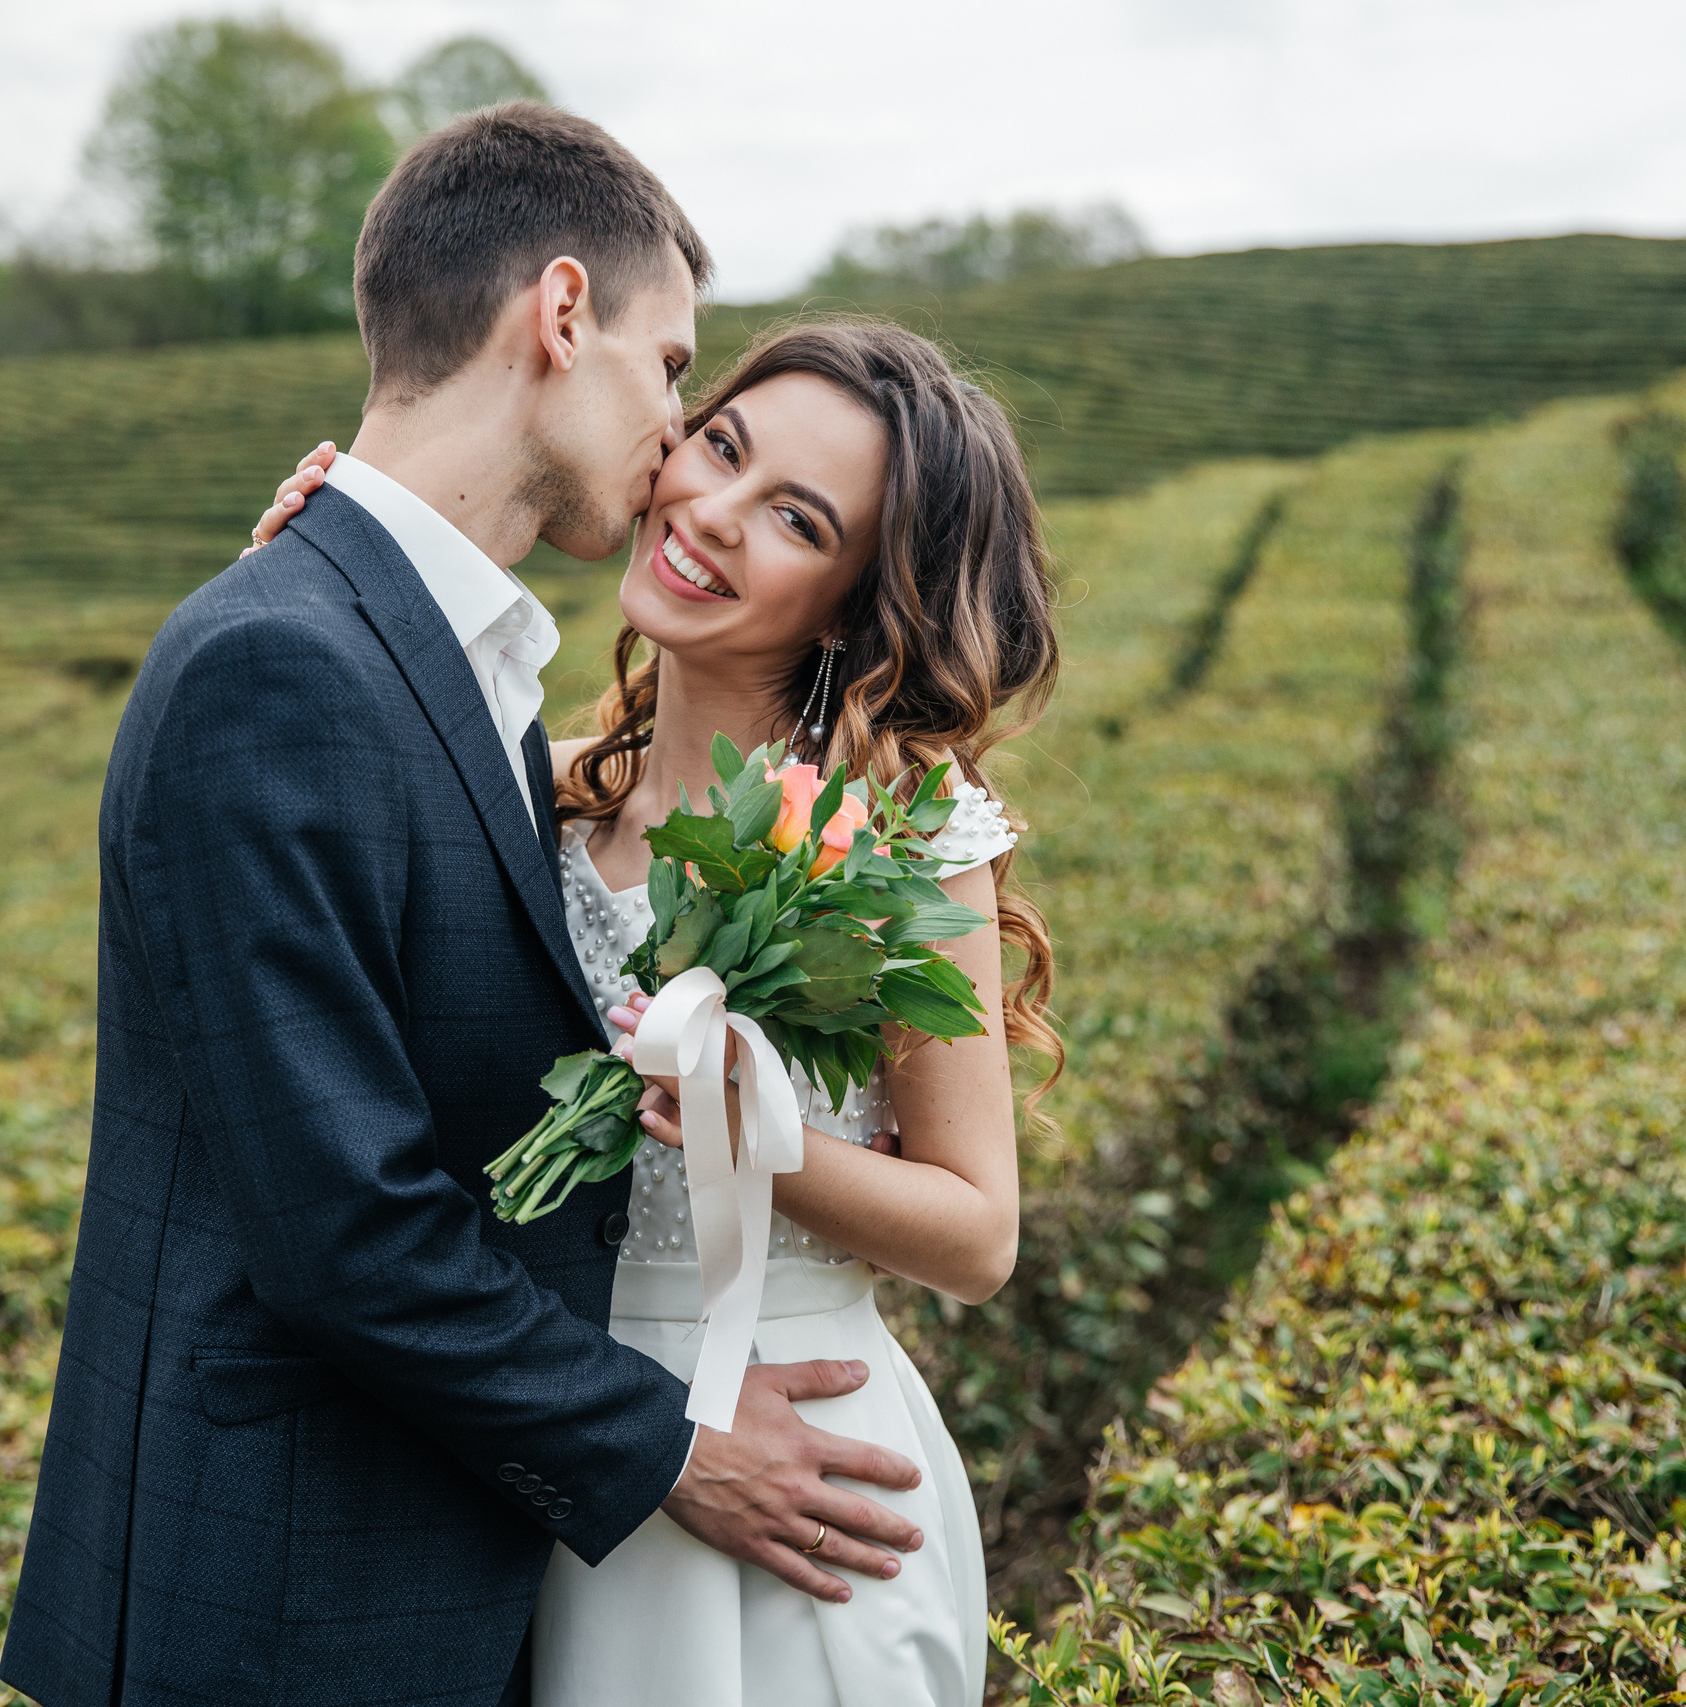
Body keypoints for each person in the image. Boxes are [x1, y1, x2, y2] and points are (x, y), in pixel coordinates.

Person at [0, 107, 935, 1707]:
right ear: (562, 316)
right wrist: (675, 1454)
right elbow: (348, 1229)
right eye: (672, 373)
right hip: (294, 1594)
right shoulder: (283, 658)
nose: (674, 440)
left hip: (457, 1560)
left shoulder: (458, 669)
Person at [250, 319, 1063, 1706]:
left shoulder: (906, 836)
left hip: (802, 1478)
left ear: (856, 600)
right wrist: (305, 591)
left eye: (797, 519)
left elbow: (978, 1234)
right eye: (723, 447)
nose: (713, 513)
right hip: (555, 1457)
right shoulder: (528, 791)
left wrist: (765, 1142)